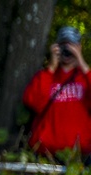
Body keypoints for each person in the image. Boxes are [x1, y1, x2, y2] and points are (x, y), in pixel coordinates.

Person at [23, 26, 91, 158]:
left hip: (80, 155)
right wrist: (51, 67)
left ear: (79, 47)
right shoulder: (46, 76)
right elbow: (33, 102)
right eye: (63, 45)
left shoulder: (85, 78)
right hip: (46, 153)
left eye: (71, 45)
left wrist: (82, 63)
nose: (67, 50)